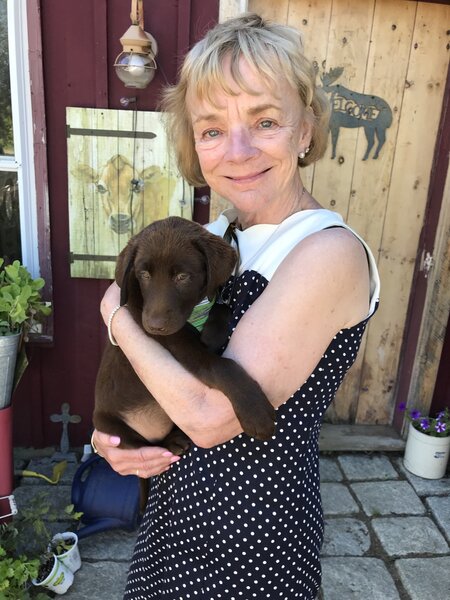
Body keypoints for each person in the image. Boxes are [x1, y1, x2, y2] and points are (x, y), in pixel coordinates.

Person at [91, 13, 380, 599]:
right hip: (175, 517)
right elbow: (173, 360)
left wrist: (116, 317)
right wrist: (119, 436)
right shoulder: (219, 238)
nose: (238, 150)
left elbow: (208, 414)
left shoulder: (326, 253)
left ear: (306, 129)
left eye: (265, 121)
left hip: (250, 541)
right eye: (212, 129)